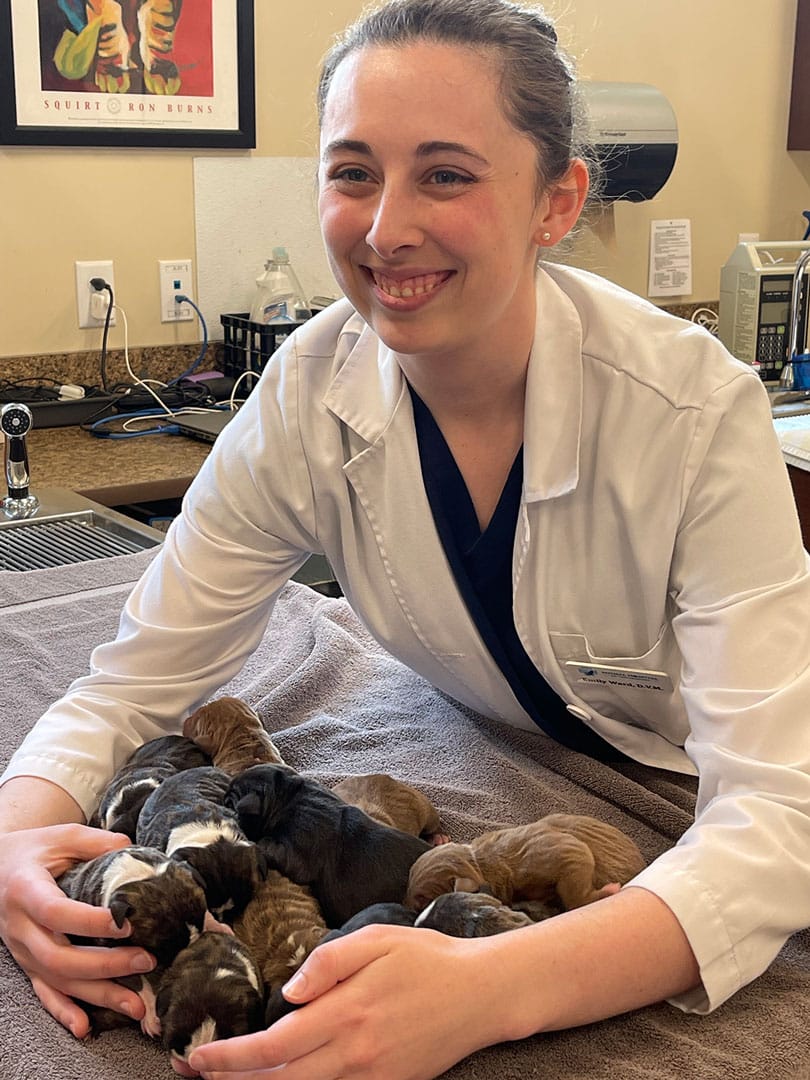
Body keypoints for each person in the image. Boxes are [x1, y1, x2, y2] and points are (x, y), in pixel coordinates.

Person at [2, 0, 809, 1076]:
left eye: (446, 175)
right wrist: (16, 846)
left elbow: (781, 812)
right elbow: (132, 683)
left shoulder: (692, 412)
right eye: (352, 173)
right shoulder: (306, 396)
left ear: (557, 201)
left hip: (684, 777)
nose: (385, 229)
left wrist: (496, 988)